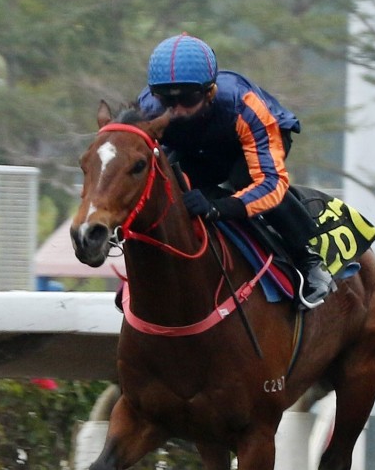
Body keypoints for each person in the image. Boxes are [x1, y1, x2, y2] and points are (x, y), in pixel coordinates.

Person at [137, 33, 335, 308]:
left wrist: (217, 208)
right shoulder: (147, 109)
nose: (178, 110)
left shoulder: (245, 105)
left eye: (188, 98)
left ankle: (309, 258)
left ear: (210, 92)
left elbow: (271, 184)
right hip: (198, 145)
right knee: (172, 180)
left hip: (253, 142)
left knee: (245, 179)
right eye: (167, 101)